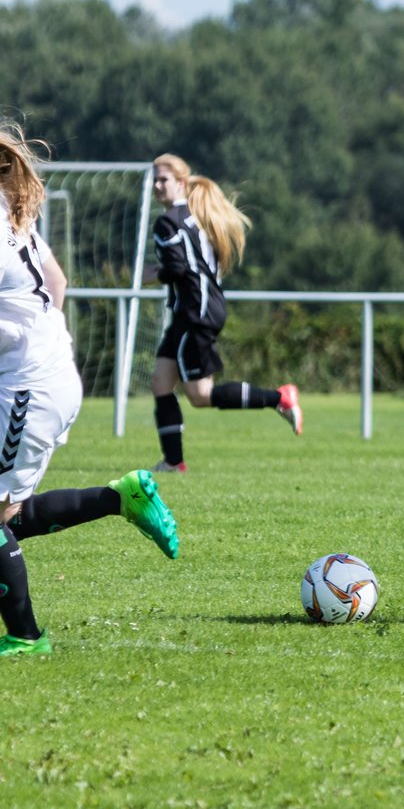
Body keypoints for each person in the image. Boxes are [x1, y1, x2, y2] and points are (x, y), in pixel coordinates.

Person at [0, 122, 180, 658]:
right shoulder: (12, 213)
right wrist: (36, 341)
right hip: (43, 375)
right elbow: (56, 284)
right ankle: (120, 497)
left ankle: (26, 637)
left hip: (30, 387)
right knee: (11, 514)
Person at [146, 153, 302, 473]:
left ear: (182, 183)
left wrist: (150, 274)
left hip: (195, 313)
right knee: (161, 382)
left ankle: (279, 398)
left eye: (164, 179)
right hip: (195, 311)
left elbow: (177, 268)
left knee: (200, 395)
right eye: (155, 179)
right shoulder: (196, 216)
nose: (157, 185)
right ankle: (174, 462)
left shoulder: (167, 222)